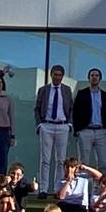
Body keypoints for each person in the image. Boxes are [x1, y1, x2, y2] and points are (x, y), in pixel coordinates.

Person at [32, 64, 75, 196]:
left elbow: (71, 108)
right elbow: (37, 108)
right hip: (47, 125)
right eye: (55, 74)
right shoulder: (43, 90)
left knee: (61, 160)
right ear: (51, 75)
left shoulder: (67, 90)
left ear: (63, 76)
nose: (57, 77)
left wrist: (69, 124)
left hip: (62, 125)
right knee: (45, 159)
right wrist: (40, 124)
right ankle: (43, 188)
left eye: (60, 75)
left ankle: (58, 188)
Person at [71, 67, 106, 171]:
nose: (94, 77)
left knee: (103, 162)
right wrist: (78, 131)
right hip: (85, 131)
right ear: (88, 78)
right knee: (84, 162)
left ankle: (101, 187)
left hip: (101, 131)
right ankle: (83, 186)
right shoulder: (82, 94)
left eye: (97, 75)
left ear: (100, 79)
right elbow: (75, 112)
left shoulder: (105, 96)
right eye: (92, 75)